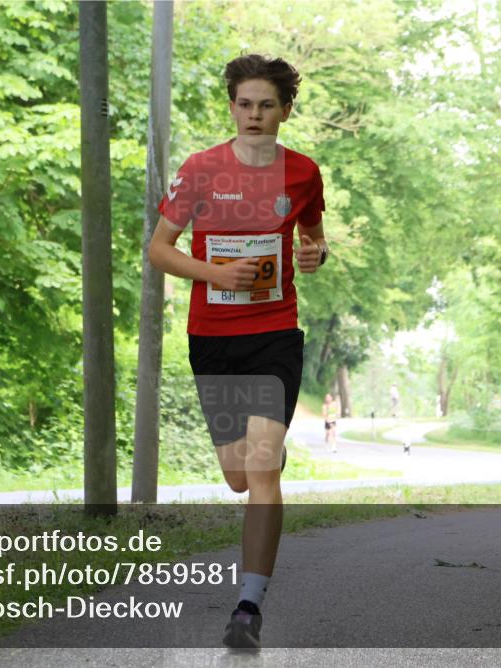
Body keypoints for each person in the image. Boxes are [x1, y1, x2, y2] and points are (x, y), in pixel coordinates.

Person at [149, 54, 328, 649]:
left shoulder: (303, 173)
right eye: (245, 104)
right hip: (214, 337)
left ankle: (248, 608)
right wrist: (213, 274)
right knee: (237, 476)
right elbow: (160, 250)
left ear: (285, 111)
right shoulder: (200, 169)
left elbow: (312, 238)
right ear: (232, 107)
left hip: (276, 331)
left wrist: (314, 254)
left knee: (259, 469)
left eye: (266, 105)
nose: (254, 114)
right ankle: (264, 452)